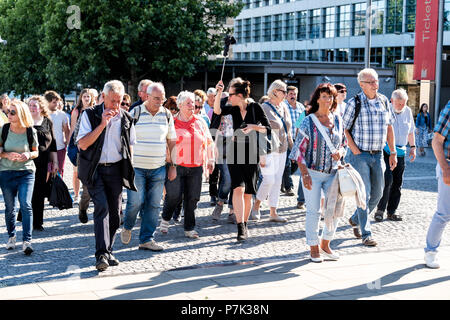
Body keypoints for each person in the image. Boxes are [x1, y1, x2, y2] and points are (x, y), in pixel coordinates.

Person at [77, 80, 137, 271]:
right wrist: (103, 124)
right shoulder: (89, 114)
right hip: (95, 170)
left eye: (119, 101)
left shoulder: (126, 118)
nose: (116, 106)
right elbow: (83, 144)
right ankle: (101, 254)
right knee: (101, 208)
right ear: (103, 97)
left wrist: (130, 170)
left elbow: (130, 147)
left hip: (116, 169)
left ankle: (108, 251)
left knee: (115, 213)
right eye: (112, 101)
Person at [289, 83, 346, 262]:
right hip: (312, 172)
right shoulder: (308, 120)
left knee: (334, 211)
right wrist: (304, 173)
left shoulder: (337, 119)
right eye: (324, 96)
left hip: (333, 173)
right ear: (317, 98)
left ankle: (326, 244)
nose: (328, 100)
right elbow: (298, 150)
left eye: (331, 97)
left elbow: (343, 144)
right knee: (313, 211)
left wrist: (341, 153)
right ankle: (313, 247)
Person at [342, 68, 397, 247]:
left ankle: (356, 218)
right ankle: (366, 233)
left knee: (379, 192)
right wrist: (355, 150)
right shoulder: (354, 103)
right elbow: (344, 129)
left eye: (376, 81)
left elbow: (389, 128)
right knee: (363, 194)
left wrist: (393, 151)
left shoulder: (383, 101)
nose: (375, 85)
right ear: (361, 84)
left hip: (379, 154)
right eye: (371, 82)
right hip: (360, 155)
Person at [121, 82, 177, 251]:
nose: (160, 101)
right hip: (137, 167)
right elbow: (125, 139)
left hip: (158, 167)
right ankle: (128, 226)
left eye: (162, 98)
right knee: (135, 203)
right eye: (156, 98)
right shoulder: (135, 113)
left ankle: (146, 239)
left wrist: (173, 165)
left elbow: (172, 141)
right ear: (147, 96)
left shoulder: (167, 115)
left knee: (153, 205)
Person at [214, 79, 271, 241]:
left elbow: (267, 129)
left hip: (252, 153)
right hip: (235, 152)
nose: (229, 97)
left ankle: (245, 224)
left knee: (248, 193)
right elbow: (217, 111)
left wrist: (253, 127)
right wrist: (219, 92)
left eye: (231, 94)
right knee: (237, 188)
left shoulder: (255, 107)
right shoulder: (232, 109)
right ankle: (240, 227)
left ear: (239, 95)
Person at [160, 91, 215, 239]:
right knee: (173, 196)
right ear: (180, 105)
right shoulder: (171, 122)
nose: (192, 106)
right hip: (175, 165)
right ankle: (165, 217)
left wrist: (211, 159)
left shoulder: (200, 122)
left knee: (193, 198)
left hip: (196, 165)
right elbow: (164, 143)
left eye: (193, 102)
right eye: (189, 103)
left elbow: (209, 142)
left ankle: (189, 228)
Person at [251, 80, 293, 222]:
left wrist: (291, 144)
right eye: (284, 91)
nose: (286, 94)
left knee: (277, 180)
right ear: (275, 91)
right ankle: (256, 205)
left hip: (283, 148)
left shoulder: (284, 107)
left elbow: (288, 127)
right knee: (269, 179)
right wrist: (261, 154)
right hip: (268, 149)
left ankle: (273, 212)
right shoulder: (264, 107)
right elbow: (259, 132)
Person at [0, 99, 39, 255]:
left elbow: (36, 152)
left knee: (26, 204)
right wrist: (6, 154)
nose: (8, 114)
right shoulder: (4, 129)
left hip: (26, 172)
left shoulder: (31, 131)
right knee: (10, 208)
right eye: (8, 111)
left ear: (21, 113)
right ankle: (11, 237)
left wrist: (28, 154)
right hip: (6, 173)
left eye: (12, 112)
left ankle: (27, 241)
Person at [375, 89, 416, 222]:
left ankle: (391, 211)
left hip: (401, 152)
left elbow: (410, 131)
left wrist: (413, 147)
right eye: (398, 104)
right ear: (392, 101)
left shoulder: (408, 111)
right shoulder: (385, 111)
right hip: (386, 151)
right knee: (387, 180)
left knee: (397, 183)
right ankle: (380, 210)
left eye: (403, 104)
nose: (400, 106)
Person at [21, 96, 58, 232]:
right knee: (27, 192)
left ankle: (38, 222)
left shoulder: (48, 121)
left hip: (43, 162)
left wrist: (55, 162)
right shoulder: (24, 122)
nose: (32, 108)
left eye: (34, 105)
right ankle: (27, 219)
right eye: (30, 105)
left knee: (39, 192)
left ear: (41, 107)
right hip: (27, 161)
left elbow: (53, 143)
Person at [424, 102, 450, 269]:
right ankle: (430, 252)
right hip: (448, 165)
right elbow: (436, 141)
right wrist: (445, 168)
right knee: (444, 213)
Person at [68, 89, 95, 205]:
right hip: (77, 144)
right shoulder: (76, 111)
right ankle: (76, 195)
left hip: (91, 144)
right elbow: (73, 129)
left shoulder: (94, 110)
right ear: (81, 98)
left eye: (88, 96)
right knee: (76, 171)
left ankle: (91, 194)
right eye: (84, 96)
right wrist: (70, 145)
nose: (87, 99)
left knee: (91, 171)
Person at [282, 85, 306, 205]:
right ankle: (289, 187)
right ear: (286, 95)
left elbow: (301, 124)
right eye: (290, 94)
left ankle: (284, 180)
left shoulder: (301, 107)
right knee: (286, 164)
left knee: (295, 166)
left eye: (294, 94)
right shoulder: (283, 106)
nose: (293, 96)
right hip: (285, 140)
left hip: (298, 140)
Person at [46, 91, 70, 178]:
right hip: (46, 149)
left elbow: (67, 130)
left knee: (58, 172)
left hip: (59, 148)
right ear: (47, 102)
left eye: (57, 101)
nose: (57, 104)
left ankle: (58, 191)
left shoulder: (62, 115)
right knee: (46, 172)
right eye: (54, 102)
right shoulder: (42, 115)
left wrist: (67, 143)